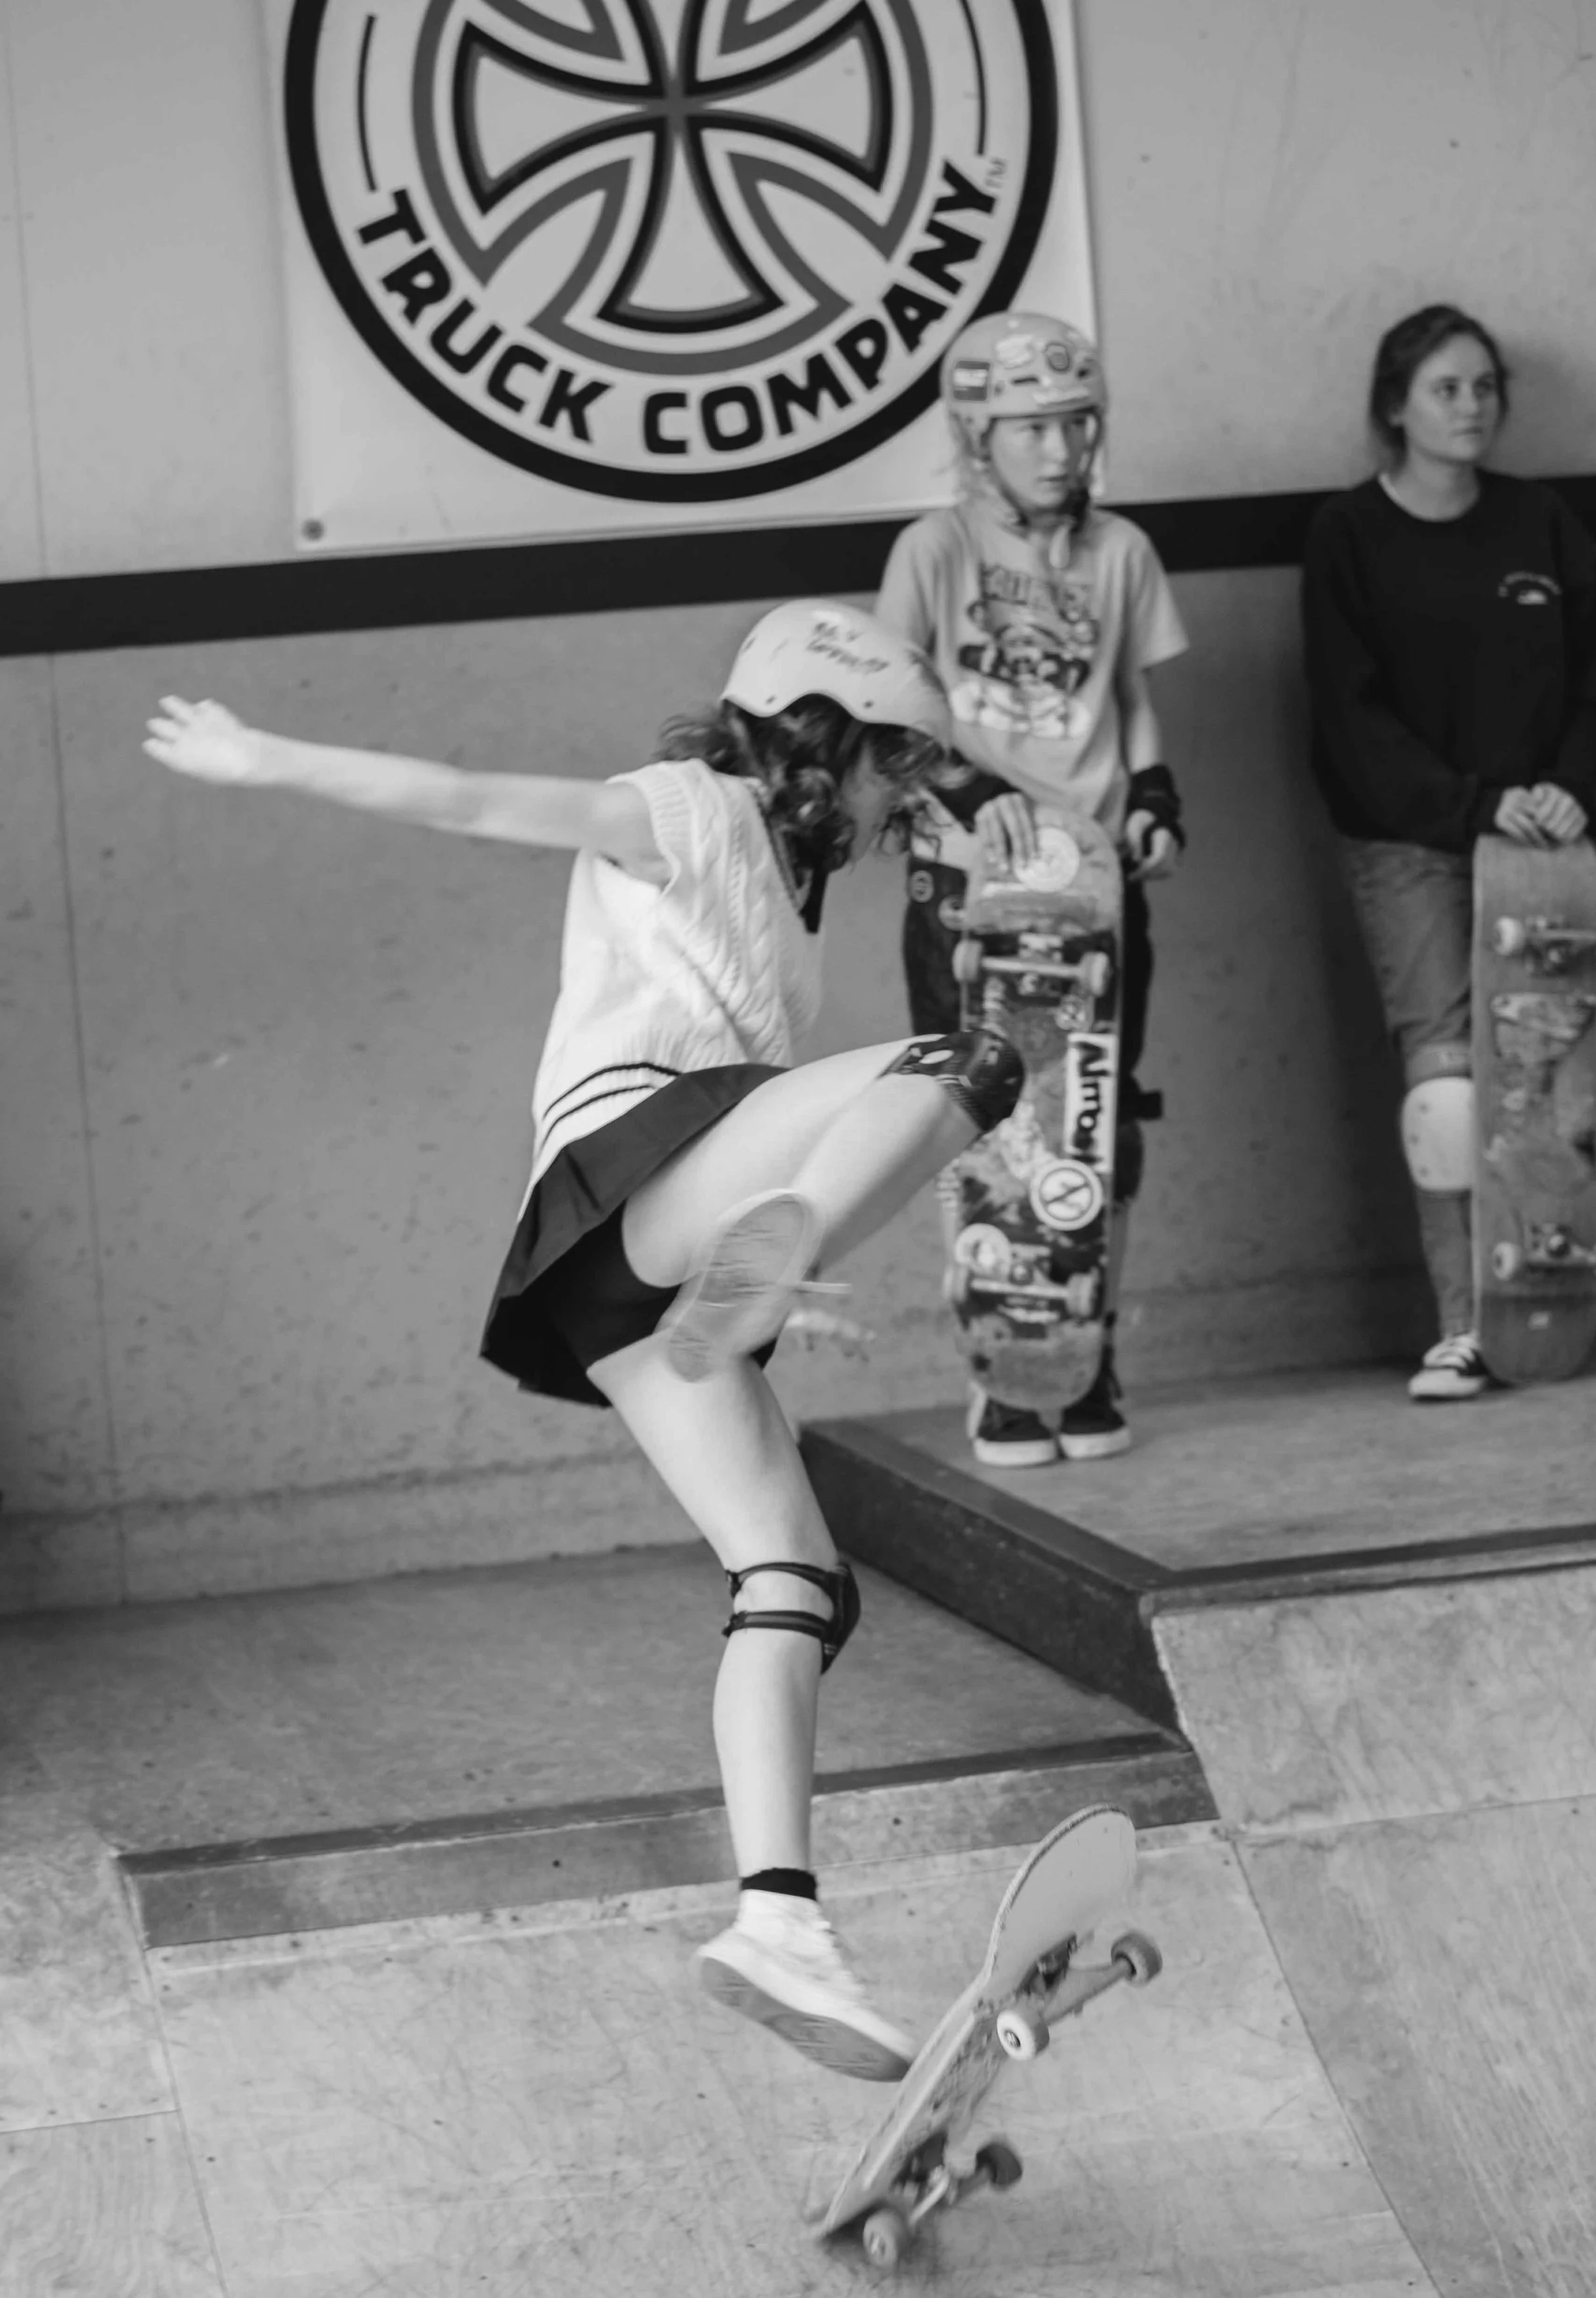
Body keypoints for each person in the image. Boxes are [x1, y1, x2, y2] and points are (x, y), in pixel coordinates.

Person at [143, 600, 1027, 2081]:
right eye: (885, 769)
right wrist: (262, 756)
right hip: (643, 1166)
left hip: (628, 1279)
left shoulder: (795, 872)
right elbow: (476, 799)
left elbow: (919, 822)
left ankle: (775, 1922)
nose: (892, 806)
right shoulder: (683, 808)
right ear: (818, 739)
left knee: (793, 1578)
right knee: (967, 1058)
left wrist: (971, 802)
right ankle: (784, 1250)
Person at [1303, 304, 1596, 1398]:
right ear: (1394, 405)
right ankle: (1466, 1324)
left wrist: (1566, 795)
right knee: (1448, 1086)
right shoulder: (1349, 536)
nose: (1472, 407)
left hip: (1545, 846)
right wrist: (1476, 804)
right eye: (1447, 388)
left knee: (1544, 1075)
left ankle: (1544, 1298)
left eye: (1487, 387)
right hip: (1413, 844)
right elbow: (1352, 721)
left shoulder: (1540, 525)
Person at [875, 311, 1190, 1467]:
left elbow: (1132, 698)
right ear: (977, 434)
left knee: (1096, 1115)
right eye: (1030, 429)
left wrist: (1155, 795)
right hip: (970, 884)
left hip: (1096, 883)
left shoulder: (1121, 552)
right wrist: (965, 791)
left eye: (1074, 425)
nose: (1058, 450)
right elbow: (891, 706)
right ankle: (1003, 1366)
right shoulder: (934, 551)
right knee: (984, 1117)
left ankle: (1084, 1346)